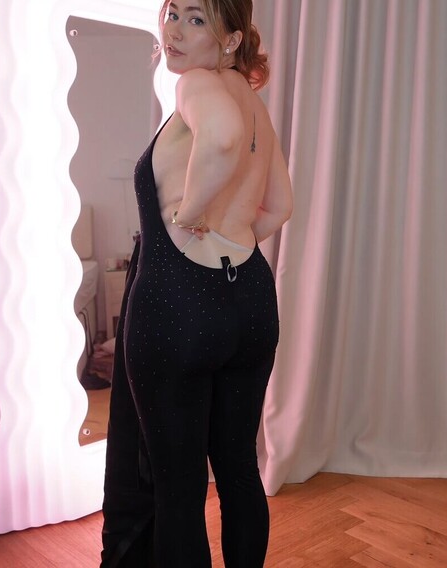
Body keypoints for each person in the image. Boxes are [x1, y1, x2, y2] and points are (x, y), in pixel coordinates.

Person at [100, 0, 293, 566]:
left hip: (180, 306)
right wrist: (230, 240)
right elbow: (280, 206)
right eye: (173, 13)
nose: (176, 31)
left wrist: (187, 221)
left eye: (197, 19)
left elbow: (223, 136)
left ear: (231, 39)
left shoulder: (197, 85)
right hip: (250, 302)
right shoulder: (254, 105)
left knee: (179, 492)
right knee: (239, 472)